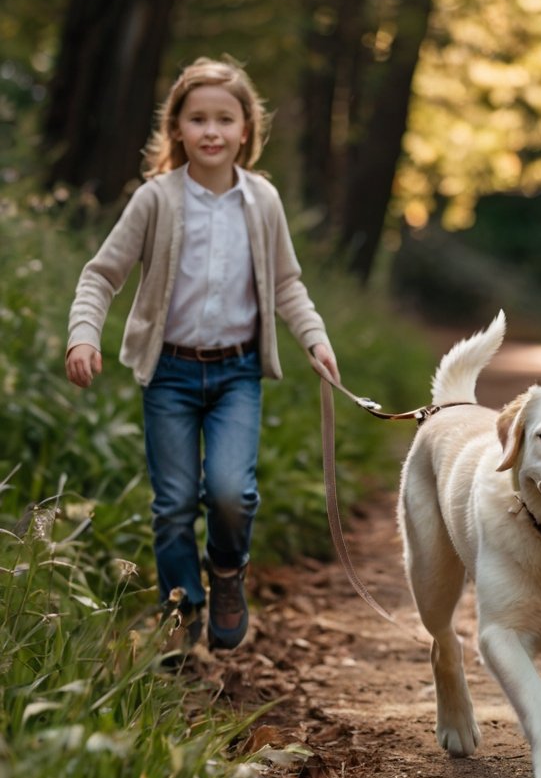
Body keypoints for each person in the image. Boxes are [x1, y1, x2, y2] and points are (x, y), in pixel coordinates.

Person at [65, 56, 340, 651]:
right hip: (169, 373)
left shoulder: (262, 201)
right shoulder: (156, 199)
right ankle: (181, 607)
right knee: (172, 504)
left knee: (230, 493)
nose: (211, 131)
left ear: (246, 130)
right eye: (198, 119)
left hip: (238, 374)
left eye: (224, 119)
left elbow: (286, 284)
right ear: (177, 128)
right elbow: (101, 275)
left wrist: (314, 337)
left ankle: (227, 571)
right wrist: (83, 334)